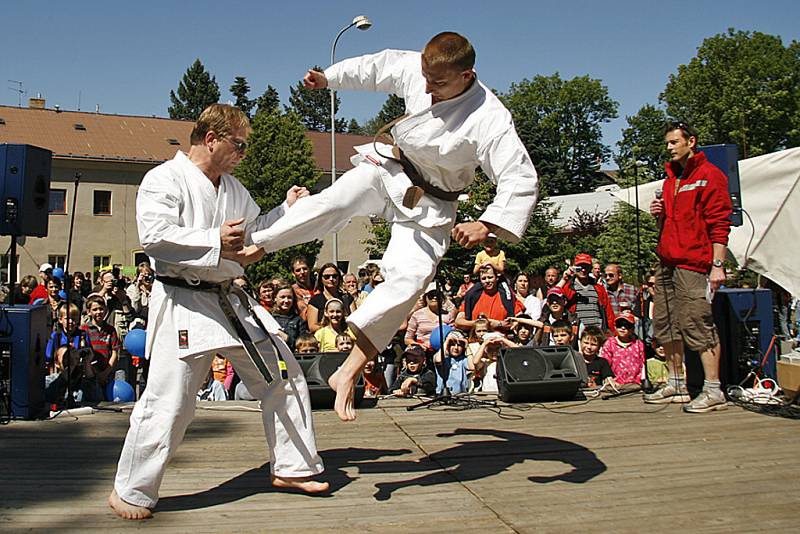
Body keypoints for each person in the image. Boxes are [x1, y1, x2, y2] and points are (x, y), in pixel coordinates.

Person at [243, 31, 538, 421]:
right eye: (426, 78)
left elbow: (519, 179)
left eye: (440, 82)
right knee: (333, 202)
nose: (428, 88)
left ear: (468, 75)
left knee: (409, 280)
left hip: (432, 205)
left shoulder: (490, 118)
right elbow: (376, 67)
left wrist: (487, 224)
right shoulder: (419, 70)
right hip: (388, 170)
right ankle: (255, 246)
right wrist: (329, 77)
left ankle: (348, 372)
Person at [108, 104, 327, 521]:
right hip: (183, 301)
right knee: (171, 402)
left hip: (228, 299)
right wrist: (213, 240)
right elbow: (153, 237)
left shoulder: (233, 188)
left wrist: (287, 209)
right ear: (212, 139)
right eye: (238, 144)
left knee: (284, 374)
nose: (243, 153)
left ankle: (293, 467)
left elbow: (253, 230)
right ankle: (131, 491)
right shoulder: (163, 179)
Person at [644, 121, 732, 413]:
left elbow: (720, 223)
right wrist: (659, 214)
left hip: (694, 263)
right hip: (666, 261)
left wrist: (717, 265)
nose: (669, 147)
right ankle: (677, 383)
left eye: (673, 142)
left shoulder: (710, 176)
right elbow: (668, 224)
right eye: (667, 142)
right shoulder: (671, 180)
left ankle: (713, 389)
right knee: (665, 324)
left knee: (697, 322)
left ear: (691, 141)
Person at [455, 264, 523, 333]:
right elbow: (458, 321)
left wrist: (499, 324)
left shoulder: (507, 296)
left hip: (501, 339)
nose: (487, 281)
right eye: (484, 278)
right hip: (477, 340)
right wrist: (481, 324)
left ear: (496, 278)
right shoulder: (473, 296)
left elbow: (520, 320)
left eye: (490, 277)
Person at [559, 253, 616, 335]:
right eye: (580, 267)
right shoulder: (568, 288)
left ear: (590, 268)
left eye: (586, 267)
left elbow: (609, 313)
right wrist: (564, 279)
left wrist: (612, 333)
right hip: (576, 334)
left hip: (597, 333)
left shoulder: (599, 288)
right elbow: (552, 298)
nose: (583, 270)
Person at [81, 295, 121, 391]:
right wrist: (97, 373)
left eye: (101, 309)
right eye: (95, 310)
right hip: (90, 373)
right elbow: (84, 354)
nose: (98, 312)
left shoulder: (110, 330)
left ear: (105, 310)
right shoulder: (84, 330)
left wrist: (105, 373)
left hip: (107, 372)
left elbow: (115, 352)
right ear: (89, 312)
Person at [599, 310, 645, 389]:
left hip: (636, 385)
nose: (623, 328)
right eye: (620, 325)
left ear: (632, 328)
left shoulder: (638, 344)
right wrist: (609, 379)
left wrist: (642, 381)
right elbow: (604, 365)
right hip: (616, 385)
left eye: (627, 325)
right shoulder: (609, 344)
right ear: (615, 326)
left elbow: (643, 364)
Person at [405, 282, 454, 348]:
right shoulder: (417, 315)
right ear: (425, 297)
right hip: (422, 351)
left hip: (442, 351)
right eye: (431, 295)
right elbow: (407, 339)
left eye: (437, 295)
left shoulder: (448, 315)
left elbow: (454, 334)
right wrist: (419, 345)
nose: (434, 297)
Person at [306, 263, 351, 333]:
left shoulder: (347, 298)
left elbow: (355, 322)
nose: (331, 279)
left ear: (339, 278)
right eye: (327, 277)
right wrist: (332, 328)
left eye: (334, 276)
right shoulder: (315, 301)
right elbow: (312, 327)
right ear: (321, 279)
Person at [434, 329, 472, 394]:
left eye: (459, 345)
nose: (456, 348)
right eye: (452, 344)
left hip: (461, 396)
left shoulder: (463, 360)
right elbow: (438, 360)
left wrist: (467, 347)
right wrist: (446, 341)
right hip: (443, 395)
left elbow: (472, 367)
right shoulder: (442, 357)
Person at [271, 283, 307, 351]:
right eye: (282, 297)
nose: (286, 301)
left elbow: (303, 345)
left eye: (289, 297)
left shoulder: (299, 321)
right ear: (275, 298)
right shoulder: (268, 319)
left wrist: (287, 338)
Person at [290, 256, 316, 322]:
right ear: (293, 273)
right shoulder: (292, 291)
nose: (302, 272)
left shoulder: (319, 287)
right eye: (298, 270)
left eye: (304, 269)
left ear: (309, 269)